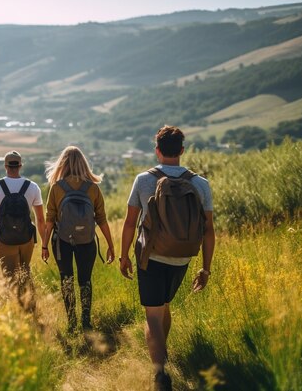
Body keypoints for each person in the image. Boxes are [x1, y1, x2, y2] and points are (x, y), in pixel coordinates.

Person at [119, 125, 215, 391]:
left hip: (150, 256)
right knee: (165, 305)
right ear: (182, 151)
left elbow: (129, 223)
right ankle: (162, 350)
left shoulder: (143, 180)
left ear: (157, 151)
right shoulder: (201, 184)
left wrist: (124, 256)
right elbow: (209, 231)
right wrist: (206, 269)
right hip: (182, 257)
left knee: (152, 315)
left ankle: (160, 372)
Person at [41, 146, 115, 333]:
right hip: (87, 240)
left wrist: (44, 245)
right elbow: (102, 219)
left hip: (62, 241)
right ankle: (86, 321)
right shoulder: (93, 188)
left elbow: (50, 220)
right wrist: (111, 246)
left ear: (62, 164)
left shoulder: (57, 188)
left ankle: (72, 322)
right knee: (85, 280)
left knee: (67, 279)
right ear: (83, 164)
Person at [0, 150, 45, 311]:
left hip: (5, 240)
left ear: (5, 166)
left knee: (10, 276)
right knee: (25, 271)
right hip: (27, 238)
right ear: (20, 166)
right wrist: (44, 243)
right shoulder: (32, 187)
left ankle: (17, 310)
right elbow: (40, 219)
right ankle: (30, 308)